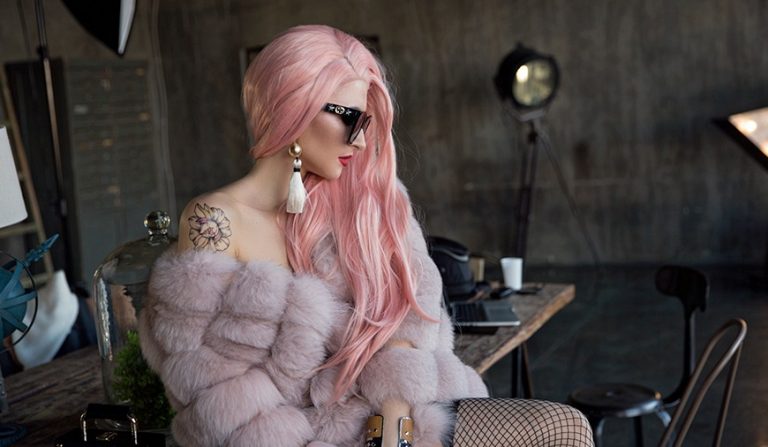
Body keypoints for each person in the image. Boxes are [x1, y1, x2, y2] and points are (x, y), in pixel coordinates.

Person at [139, 24, 593, 447]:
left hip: (396, 419)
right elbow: (211, 389)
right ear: (293, 107)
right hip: (294, 436)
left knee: (564, 427)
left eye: (367, 123)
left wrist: (392, 424)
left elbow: (407, 319)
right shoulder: (214, 220)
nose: (359, 140)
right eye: (349, 118)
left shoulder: (367, 200)